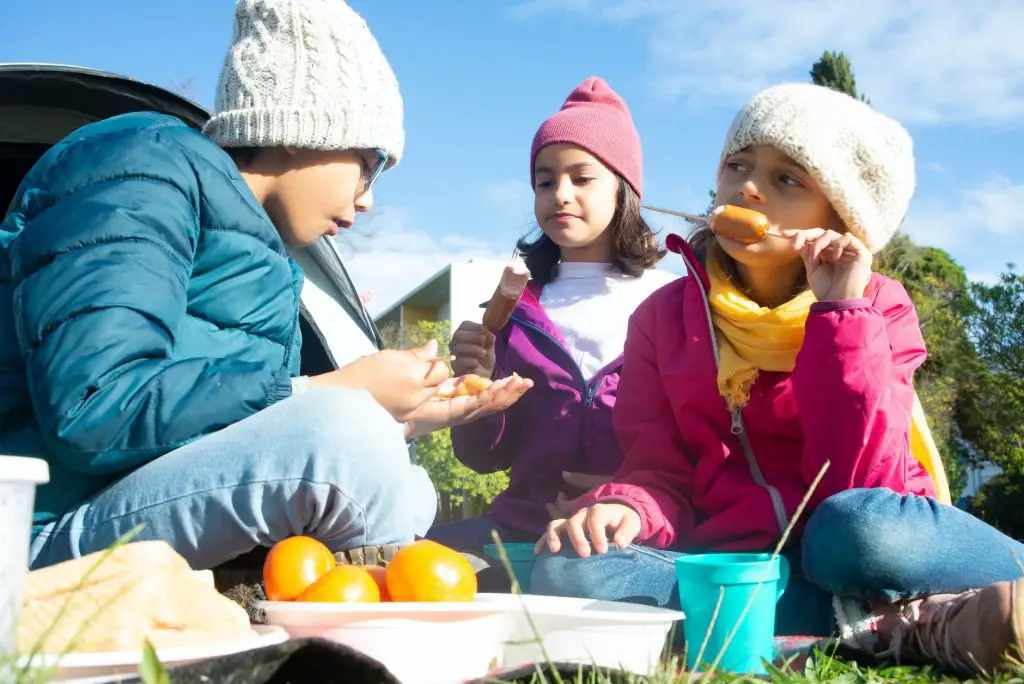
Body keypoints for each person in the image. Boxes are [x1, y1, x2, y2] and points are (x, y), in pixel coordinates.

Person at [0, 0, 528, 579]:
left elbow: (201, 431)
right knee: (346, 437)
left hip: (111, 512)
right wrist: (324, 391)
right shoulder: (141, 166)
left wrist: (404, 416)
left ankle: (335, 611)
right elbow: (92, 406)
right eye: (370, 163)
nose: (368, 198)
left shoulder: (271, 265)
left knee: (410, 483)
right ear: (305, 128)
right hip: (32, 527)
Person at [532, 83, 1024, 677]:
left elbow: (862, 480)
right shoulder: (662, 321)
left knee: (850, 532)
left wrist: (841, 315)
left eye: (787, 179)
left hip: (868, 539)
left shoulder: (880, 307)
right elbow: (657, 469)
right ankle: (895, 626)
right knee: (569, 568)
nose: (748, 188)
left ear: (838, 216)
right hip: (740, 562)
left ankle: (840, 619)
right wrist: (628, 508)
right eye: (737, 166)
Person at [427, 78, 676, 574]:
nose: (560, 194)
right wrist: (476, 394)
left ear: (624, 188)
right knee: (420, 560)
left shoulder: (672, 301)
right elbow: (485, 459)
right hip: (523, 523)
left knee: (578, 576)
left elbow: (690, 433)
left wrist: (621, 496)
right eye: (545, 180)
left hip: (634, 526)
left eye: (582, 179)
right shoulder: (518, 310)